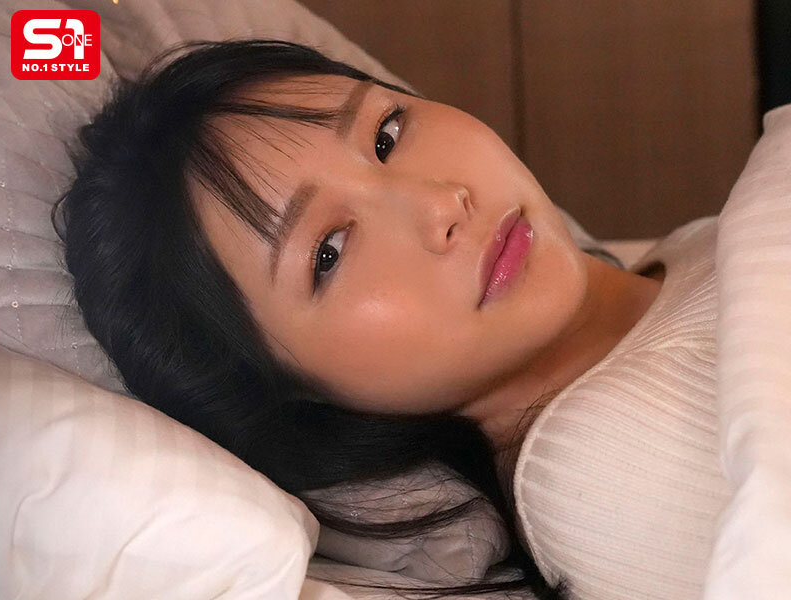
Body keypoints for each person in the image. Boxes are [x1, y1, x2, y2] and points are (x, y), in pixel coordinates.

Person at [53, 39, 666, 600]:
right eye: (329, 252)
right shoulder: (611, 481)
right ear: (294, 394)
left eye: (386, 136)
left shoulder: (685, 268)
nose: (441, 205)